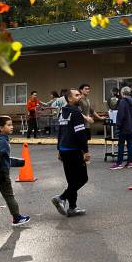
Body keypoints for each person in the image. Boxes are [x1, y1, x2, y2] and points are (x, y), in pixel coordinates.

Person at [52, 88, 91, 217]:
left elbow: (60, 132)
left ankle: (72, 207)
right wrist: (85, 151)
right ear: (69, 98)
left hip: (64, 150)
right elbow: (80, 133)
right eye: (76, 95)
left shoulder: (63, 112)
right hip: (74, 151)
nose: (79, 97)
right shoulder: (75, 113)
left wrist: (59, 149)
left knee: (72, 181)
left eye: (79, 94)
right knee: (82, 178)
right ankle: (61, 198)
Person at [112, 86, 132, 169]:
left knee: (121, 145)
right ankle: (129, 162)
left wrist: (118, 125)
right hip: (131, 126)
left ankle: (119, 163)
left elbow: (120, 115)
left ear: (122, 93)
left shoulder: (122, 102)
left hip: (124, 127)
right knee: (130, 144)